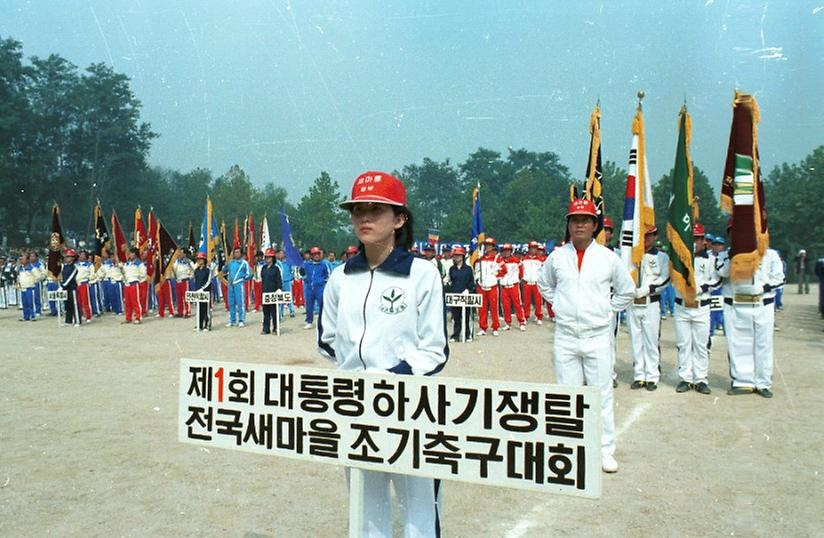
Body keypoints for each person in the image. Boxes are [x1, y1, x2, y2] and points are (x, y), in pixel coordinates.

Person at [319, 170, 447, 537]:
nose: (365, 218)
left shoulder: (422, 274)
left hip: (410, 403)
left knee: (417, 504)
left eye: (376, 210)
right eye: (358, 210)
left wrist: (392, 377)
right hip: (354, 405)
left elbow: (434, 349)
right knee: (364, 501)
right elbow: (327, 338)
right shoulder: (341, 276)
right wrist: (357, 376)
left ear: (400, 219)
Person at [538, 198, 634, 473]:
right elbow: (544, 283)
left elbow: (626, 290)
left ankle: (604, 450)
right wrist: (557, 304)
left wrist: (607, 311)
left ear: (595, 225)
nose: (579, 224)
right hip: (566, 336)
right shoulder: (557, 256)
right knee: (566, 396)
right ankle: (566, 449)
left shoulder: (607, 258)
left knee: (600, 394)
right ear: (568, 225)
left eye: (585, 220)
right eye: (574, 219)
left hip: (598, 336)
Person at [717, 242, 785, 397]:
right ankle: (742, 381)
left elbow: (779, 278)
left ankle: (763, 382)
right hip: (736, 304)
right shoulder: (724, 255)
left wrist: (766, 287)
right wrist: (734, 255)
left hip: (762, 304)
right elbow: (723, 273)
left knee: (763, 344)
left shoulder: (770, 255)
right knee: (738, 343)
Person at [673, 224, 718, 395]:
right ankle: (685, 378)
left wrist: (703, 288)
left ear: (704, 241)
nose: (694, 242)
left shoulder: (711, 260)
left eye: (698, 239)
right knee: (684, 344)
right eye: (691, 239)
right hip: (682, 306)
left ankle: (701, 379)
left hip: (701, 306)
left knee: (700, 344)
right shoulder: (678, 260)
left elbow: (717, 280)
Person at [628, 226, 670, 391]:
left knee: (651, 341)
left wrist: (648, 289)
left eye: (650, 235)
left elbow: (665, 279)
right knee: (636, 340)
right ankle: (639, 375)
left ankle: (652, 376)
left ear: (655, 236)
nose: (646, 239)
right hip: (633, 302)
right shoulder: (630, 256)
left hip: (651, 302)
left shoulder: (661, 257)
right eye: (643, 235)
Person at [474, 237, 505, 336]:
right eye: (486, 245)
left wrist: (496, 276)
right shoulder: (481, 258)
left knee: (494, 308)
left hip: (492, 286)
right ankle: (483, 327)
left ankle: (495, 327)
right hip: (482, 286)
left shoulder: (497, 258)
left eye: (489, 245)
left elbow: (504, 270)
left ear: (493, 247)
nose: (487, 247)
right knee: (482, 309)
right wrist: (478, 278)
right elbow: (476, 269)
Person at [447, 245, 475, 342]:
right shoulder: (451, 269)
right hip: (455, 295)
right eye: (455, 256)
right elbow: (450, 281)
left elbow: (471, 282)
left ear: (463, 256)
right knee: (456, 317)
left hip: (466, 296)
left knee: (466, 317)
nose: (456, 258)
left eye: (458, 256)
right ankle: (456, 335)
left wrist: (468, 290)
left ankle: (468, 335)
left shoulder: (468, 269)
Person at [301, 246, 330, 329]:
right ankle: (309, 321)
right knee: (309, 305)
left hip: (320, 288)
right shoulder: (306, 264)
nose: (316, 256)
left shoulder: (324, 265)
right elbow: (301, 273)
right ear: (311, 256)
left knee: (322, 305)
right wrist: (304, 278)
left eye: (318, 254)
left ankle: (324, 321)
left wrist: (322, 283)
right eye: (314, 254)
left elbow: (327, 276)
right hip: (309, 288)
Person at [499, 243, 527, 331]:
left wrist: (516, 280)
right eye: (504, 251)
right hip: (504, 286)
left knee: (518, 304)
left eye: (508, 251)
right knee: (505, 305)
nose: (506, 253)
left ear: (511, 251)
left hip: (513, 286)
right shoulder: (500, 261)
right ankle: (508, 323)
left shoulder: (516, 261)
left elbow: (521, 273)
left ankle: (521, 322)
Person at [521, 241, 546, 325]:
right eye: (532, 248)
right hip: (527, 283)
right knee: (526, 301)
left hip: (536, 283)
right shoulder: (524, 259)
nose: (534, 250)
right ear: (529, 249)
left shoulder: (540, 260)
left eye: (535, 248)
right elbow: (521, 270)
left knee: (538, 301)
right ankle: (526, 316)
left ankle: (539, 316)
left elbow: (544, 272)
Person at [225, 247, 251, 328]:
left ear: (241, 253)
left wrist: (242, 279)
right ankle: (232, 320)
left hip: (239, 285)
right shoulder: (230, 263)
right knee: (231, 303)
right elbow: (224, 271)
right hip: (230, 285)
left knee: (240, 303)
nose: (236, 254)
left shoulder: (244, 263)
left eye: (237, 252)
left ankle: (241, 320)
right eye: (235, 252)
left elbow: (249, 274)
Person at [260, 248, 283, 335]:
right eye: (266, 257)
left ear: (273, 258)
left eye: (269, 257)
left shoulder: (276, 268)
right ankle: (266, 329)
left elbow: (279, 280)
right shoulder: (263, 268)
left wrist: (279, 289)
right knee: (265, 312)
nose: (267, 259)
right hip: (265, 293)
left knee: (274, 312)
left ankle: (275, 328)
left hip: (273, 293)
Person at [122, 248, 147, 324]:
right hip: (127, 284)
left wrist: (137, 278)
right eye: (129, 253)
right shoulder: (127, 264)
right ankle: (128, 317)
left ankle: (138, 317)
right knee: (127, 302)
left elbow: (143, 274)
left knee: (135, 301)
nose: (130, 255)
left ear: (135, 254)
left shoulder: (139, 264)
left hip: (134, 283)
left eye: (131, 253)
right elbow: (124, 272)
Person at [709, 236, 726, 335]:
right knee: (712, 310)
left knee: (723, 310)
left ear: (723, 246)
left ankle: (725, 329)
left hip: (722, 287)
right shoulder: (708, 256)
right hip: (712, 286)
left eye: (719, 244)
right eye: (715, 244)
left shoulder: (725, 256)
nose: (717, 246)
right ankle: (710, 331)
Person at [59, 249, 80, 326]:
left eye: (68, 256)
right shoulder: (65, 267)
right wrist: (62, 284)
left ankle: (77, 321)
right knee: (67, 305)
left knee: (74, 305)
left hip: (72, 288)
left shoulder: (74, 267)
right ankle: (68, 321)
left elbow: (70, 278)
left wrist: (63, 285)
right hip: (65, 288)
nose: (66, 258)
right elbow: (63, 277)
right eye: (66, 256)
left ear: (73, 258)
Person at [192, 252, 212, 331]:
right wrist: (196, 290)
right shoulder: (196, 270)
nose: (199, 261)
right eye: (198, 259)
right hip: (198, 292)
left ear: (204, 260)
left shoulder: (207, 270)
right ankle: (199, 325)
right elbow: (195, 280)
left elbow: (209, 281)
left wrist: (203, 288)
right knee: (199, 309)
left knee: (206, 309)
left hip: (206, 292)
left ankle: (207, 325)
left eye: (201, 259)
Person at [276, 248, 296, 318]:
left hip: (287, 281)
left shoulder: (288, 262)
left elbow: (292, 271)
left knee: (289, 296)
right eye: (279, 253)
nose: (280, 255)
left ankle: (292, 311)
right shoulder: (277, 263)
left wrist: (291, 278)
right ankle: (280, 313)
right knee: (280, 298)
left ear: (284, 254)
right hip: (280, 282)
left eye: (281, 253)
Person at [75, 251, 94, 323]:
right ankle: (80, 314)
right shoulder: (76, 264)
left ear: (86, 257)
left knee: (85, 301)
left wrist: (88, 279)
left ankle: (88, 316)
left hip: (84, 283)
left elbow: (93, 274)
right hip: (76, 284)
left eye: (83, 255)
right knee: (78, 301)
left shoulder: (89, 265)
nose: (81, 256)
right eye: (80, 254)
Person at [18, 254, 38, 321]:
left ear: (27, 260)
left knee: (30, 303)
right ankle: (26, 316)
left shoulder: (31, 267)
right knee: (24, 303)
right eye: (20, 259)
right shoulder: (20, 268)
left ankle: (32, 316)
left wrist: (34, 282)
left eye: (22, 259)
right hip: (23, 287)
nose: (21, 261)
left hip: (29, 288)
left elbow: (38, 276)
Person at [816, 254, 824, 319]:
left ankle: (822, 312)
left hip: (822, 280)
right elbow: (817, 271)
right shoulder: (820, 261)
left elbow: (817, 271)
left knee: (822, 297)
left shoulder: (820, 261)